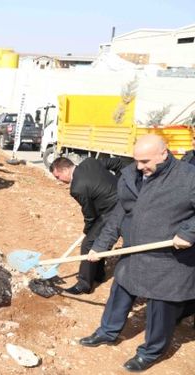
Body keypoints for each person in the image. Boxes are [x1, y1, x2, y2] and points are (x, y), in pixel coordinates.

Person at [80, 135, 195, 372]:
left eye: (145, 161)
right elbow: (119, 214)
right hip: (133, 251)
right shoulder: (131, 175)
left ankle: (150, 352)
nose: (139, 167)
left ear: (164, 154)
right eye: (137, 160)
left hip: (167, 258)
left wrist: (189, 233)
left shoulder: (188, 177)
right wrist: (100, 247)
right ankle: (107, 332)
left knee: (160, 309)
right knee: (119, 293)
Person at [49, 156, 119, 294]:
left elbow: (90, 215)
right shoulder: (90, 162)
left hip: (112, 211)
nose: (59, 181)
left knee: (88, 244)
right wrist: (120, 181)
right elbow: (116, 162)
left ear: (64, 170)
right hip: (119, 201)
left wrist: (87, 231)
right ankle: (98, 274)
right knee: (97, 239)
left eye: (58, 177)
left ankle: (84, 284)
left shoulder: (77, 188)